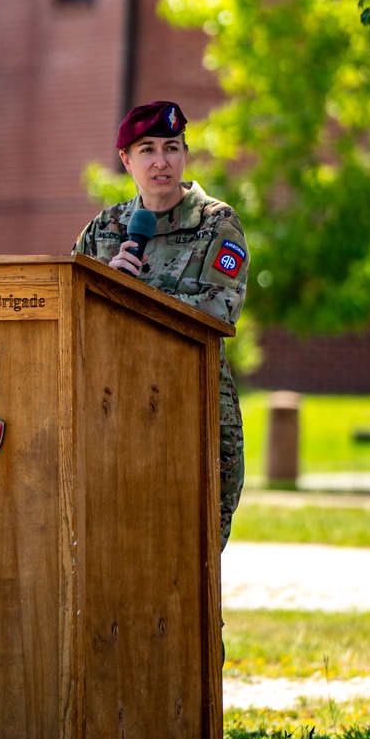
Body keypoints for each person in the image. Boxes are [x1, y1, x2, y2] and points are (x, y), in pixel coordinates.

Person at [73, 100, 248, 548]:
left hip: (196, 405)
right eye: (147, 150)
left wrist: (130, 298)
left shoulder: (216, 224)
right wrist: (103, 287)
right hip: (116, 410)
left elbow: (218, 311)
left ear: (185, 154)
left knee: (195, 551)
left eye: (172, 148)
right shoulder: (104, 229)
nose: (161, 161)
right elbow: (71, 316)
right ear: (127, 161)